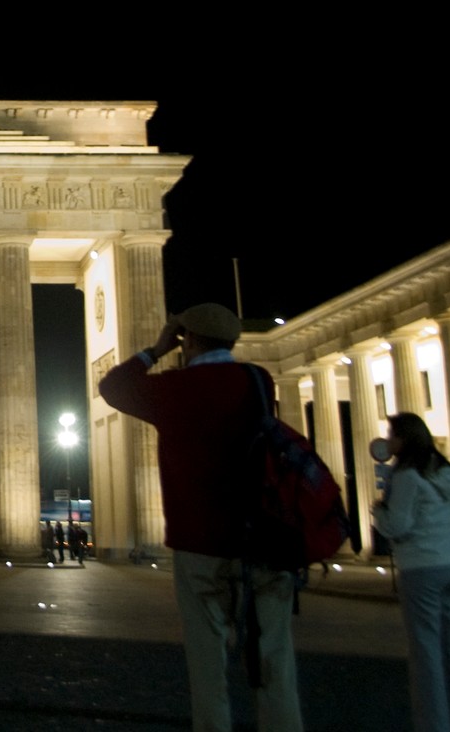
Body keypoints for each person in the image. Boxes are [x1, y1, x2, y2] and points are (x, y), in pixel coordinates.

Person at [99, 302, 306, 732]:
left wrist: (155, 351)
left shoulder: (174, 389)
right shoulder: (258, 380)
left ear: (187, 340)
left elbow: (113, 387)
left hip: (201, 545)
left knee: (207, 666)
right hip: (264, 542)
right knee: (275, 660)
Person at [370, 412, 450, 732]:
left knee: (426, 653)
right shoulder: (445, 471)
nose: (388, 440)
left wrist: (379, 511)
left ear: (404, 439)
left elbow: (398, 525)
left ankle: (434, 725)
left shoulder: (406, 476)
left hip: (422, 567)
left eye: (392, 434)